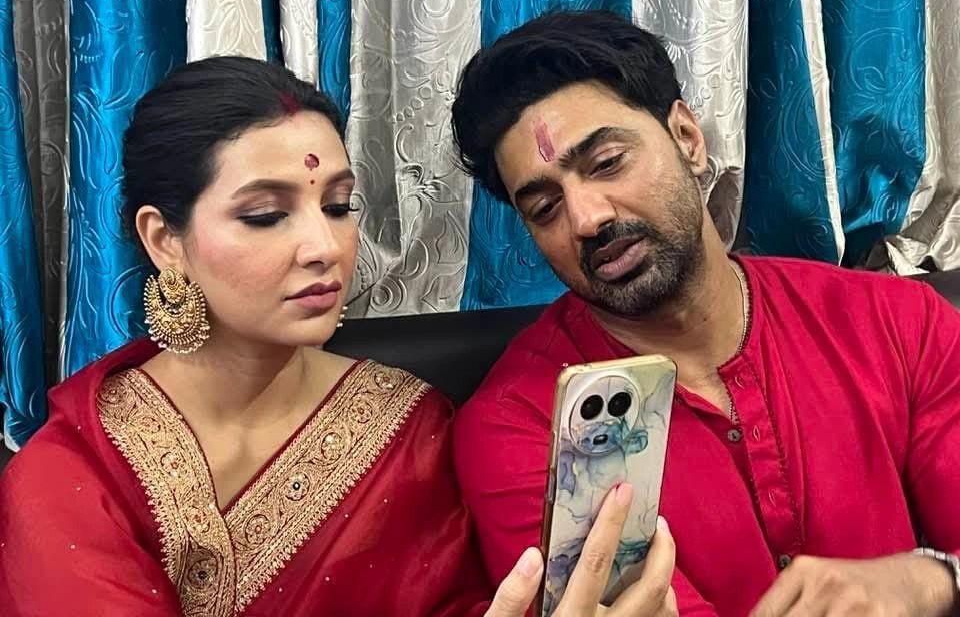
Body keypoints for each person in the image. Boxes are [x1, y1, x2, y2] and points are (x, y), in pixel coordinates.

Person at [0, 56, 677, 617]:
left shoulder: (410, 429)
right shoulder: (77, 475)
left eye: (337, 205)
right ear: (164, 240)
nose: (325, 246)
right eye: (265, 215)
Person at [449, 10, 960, 617]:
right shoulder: (521, 427)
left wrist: (933, 581)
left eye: (607, 163)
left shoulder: (898, 322)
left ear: (688, 138)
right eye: (544, 208)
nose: (586, 218)